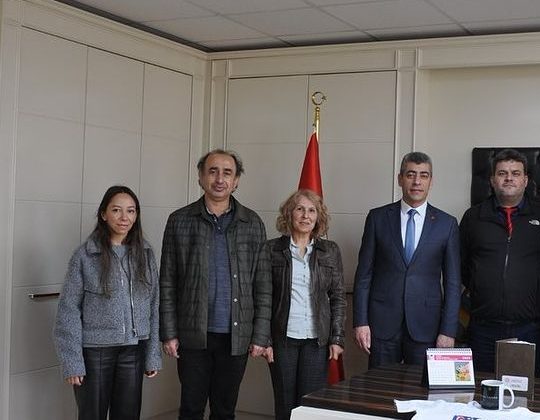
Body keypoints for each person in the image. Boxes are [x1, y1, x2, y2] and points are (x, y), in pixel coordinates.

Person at [159, 149, 268, 420]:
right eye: (212, 171)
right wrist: (169, 332)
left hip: (236, 335)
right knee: (191, 408)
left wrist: (260, 335)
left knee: (224, 409)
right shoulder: (179, 220)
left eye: (227, 173)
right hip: (193, 334)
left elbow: (263, 284)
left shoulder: (252, 223)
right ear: (200, 177)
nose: (220, 179)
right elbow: (168, 281)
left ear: (236, 181)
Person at [54, 185, 161, 420]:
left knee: (128, 415)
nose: (125, 217)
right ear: (103, 214)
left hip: (133, 350)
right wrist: (72, 361)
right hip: (95, 352)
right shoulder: (85, 256)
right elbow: (68, 310)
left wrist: (153, 354)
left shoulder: (146, 254)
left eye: (131, 211)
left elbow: (155, 305)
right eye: (116, 210)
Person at [353, 151, 461, 367]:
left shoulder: (447, 224)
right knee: (380, 393)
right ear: (400, 178)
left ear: (431, 181)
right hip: (382, 324)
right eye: (411, 174)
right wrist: (361, 321)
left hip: (426, 325)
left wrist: (448, 330)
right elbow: (364, 275)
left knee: (422, 396)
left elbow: (452, 282)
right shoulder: (377, 218)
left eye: (423, 175)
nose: (417, 181)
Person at [460, 149, 540, 377]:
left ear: (525, 180)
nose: (509, 178)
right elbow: (462, 266)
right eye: (502, 173)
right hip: (483, 326)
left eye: (515, 173)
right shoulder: (473, 217)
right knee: (481, 393)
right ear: (492, 180)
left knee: (524, 396)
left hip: (529, 327)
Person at [256, 189, 346, 420]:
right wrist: (264, 340)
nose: (305, 216)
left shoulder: (330, 251)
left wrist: (337, 339)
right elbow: (262, 297)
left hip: (317, 341)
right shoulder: (271, 250)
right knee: (285, 404)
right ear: (289, 214)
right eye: (300, 209)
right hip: (282, 339)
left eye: (311, 210)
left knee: (309, 405)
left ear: (318, 217)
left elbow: (338, 297)